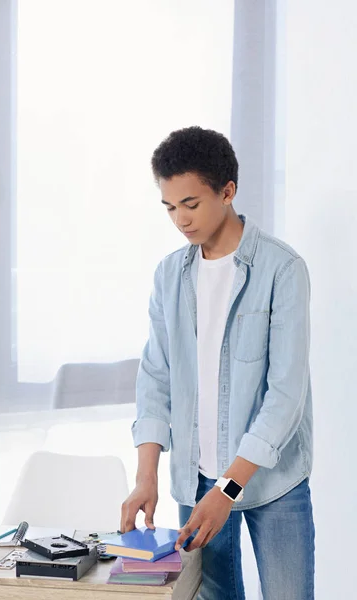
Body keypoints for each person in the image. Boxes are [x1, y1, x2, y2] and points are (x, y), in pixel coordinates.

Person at [120, 126, 315, 600]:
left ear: (227, 192)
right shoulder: (169, 275)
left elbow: (285, 395)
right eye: (169, 207)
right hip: (195, 477)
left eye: (191, 204)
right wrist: (146, 476)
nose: (180, 220)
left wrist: (226, 491)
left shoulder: (282, 269)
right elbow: (156, 377)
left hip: (273, 481)